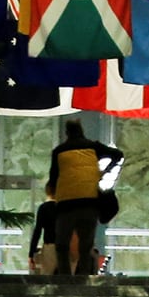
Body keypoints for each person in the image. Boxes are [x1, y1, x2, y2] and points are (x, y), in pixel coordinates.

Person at [46, 118, 122, 277]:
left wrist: (54, 191)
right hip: (89, 202)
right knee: (85, 245)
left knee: (62, 244)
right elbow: (118, 155)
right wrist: (104, 172)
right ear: (82, 131)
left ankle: (65, 278)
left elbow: (53, 177)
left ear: (67, 133)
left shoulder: (59, 151)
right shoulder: (92, 147)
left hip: (66, 204)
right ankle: (83, 278)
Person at [27, 189, 58, 276]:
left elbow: (38, 231)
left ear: (47, 191)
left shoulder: (44, 208)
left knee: (48, 278)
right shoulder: (65, 208)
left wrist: (31, 254)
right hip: (66, 247)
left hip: (49, 247)